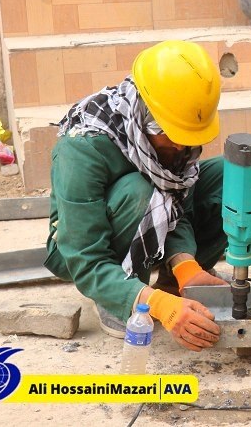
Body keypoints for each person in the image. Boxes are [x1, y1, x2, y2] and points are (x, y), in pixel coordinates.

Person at [45, 40, 228, 352]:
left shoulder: (174, 141)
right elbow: (85, 257)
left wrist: (185, 267)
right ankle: (123, 294)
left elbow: (175, 203)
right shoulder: (82, 148)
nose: (182, 148)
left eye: (188, 138)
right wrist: (157, 305)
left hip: (145, 218)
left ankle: (173, 282)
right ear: (145, 118)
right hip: (82, 249)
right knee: (139, 190)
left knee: (229, 176)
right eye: (173, 136)